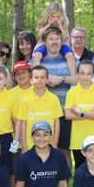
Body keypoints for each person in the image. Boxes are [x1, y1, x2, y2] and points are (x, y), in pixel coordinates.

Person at [32, 27, 77, 159]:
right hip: (43, 112)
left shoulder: (70, 59)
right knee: (40, 149)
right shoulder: (39, 61)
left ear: (62, 41)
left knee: (64, 151)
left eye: (57, 39)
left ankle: (64, 173)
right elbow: (31, 79)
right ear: (44, 42)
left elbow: (78, 79)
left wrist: (61, 79)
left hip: (64, 113)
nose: (54, 42)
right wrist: (47, 78)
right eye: (50, 39)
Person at [65, 60, 94, 168]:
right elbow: (68, 115)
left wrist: (81, 113)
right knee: (80, 170)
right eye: (82, 73)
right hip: (78, 140)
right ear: (78, 74)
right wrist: (91, 113)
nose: (85, 77)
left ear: (93, 74)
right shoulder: (71, 92)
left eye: (89, 73)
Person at [14, 65, 64, 150]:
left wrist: (55, 144)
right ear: (31, 80)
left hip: (49, 145)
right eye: (36, 77)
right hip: (30, 146)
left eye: (42, 77)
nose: (39, 80)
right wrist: (25, 147)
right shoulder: (26, 100)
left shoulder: (54, 99)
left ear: (47, 80)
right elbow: (23, 124)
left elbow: (57, 122)